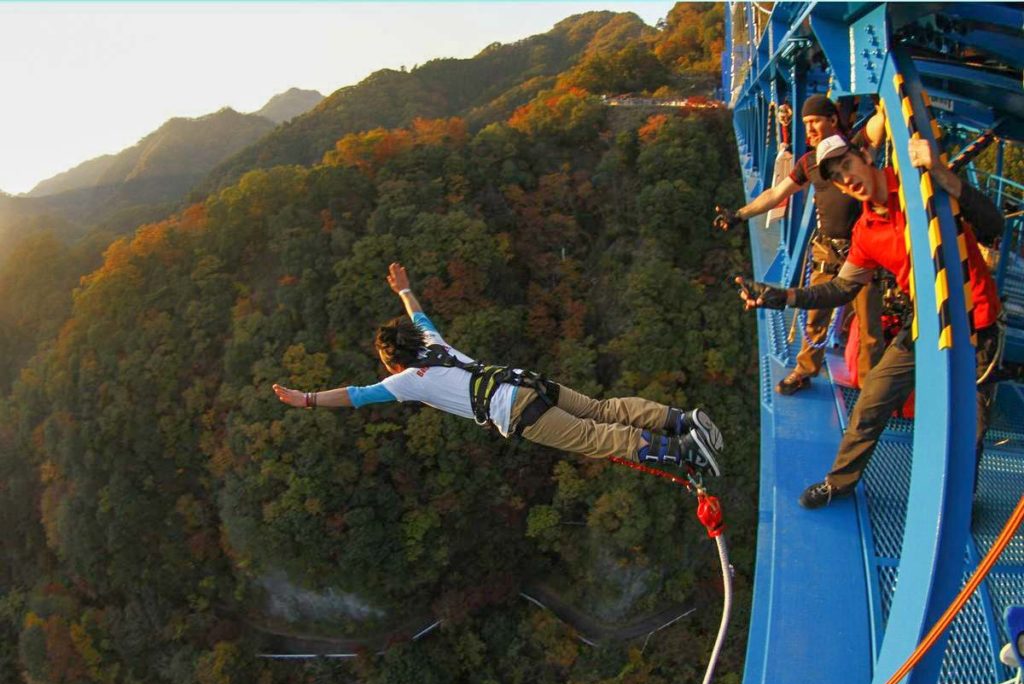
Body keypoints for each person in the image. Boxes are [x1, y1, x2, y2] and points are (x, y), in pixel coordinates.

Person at [738, 134, 1002, 508]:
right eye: (838, 177)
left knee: (968, 428)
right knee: (873, 398)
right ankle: (840, 482)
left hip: (975, 324)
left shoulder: (917, 181)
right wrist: (782, 297)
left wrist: (941, 172)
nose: (847, 178)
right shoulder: (865, 232)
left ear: (866, 156)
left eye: (848, 165)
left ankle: (959, 502)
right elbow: (842, 288)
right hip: (925, 321)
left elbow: (993, 224)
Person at [273, 263, 724, 475]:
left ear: (393, 361)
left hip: (515, 410)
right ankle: (681, 421)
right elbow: (418, 315)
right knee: (602, 409)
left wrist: (307, 400)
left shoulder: (406, 380)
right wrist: (405, 290)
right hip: (526, 381)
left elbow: (354, 395)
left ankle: (686, 451)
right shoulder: (432, 343)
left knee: (596, 438)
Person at [714, 94, 884, 395]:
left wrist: (886, 100)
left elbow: (877, 126)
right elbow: (777, 193)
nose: (809, 129)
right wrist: (739, 215)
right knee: (815, 316)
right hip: (827, 250)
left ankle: (871, 390)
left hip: (864, 251)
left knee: (870, 327)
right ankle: (805, 370)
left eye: (815, 121)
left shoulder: (855, 149)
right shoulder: (809, 163)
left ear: (833, 120)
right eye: (805, 123)